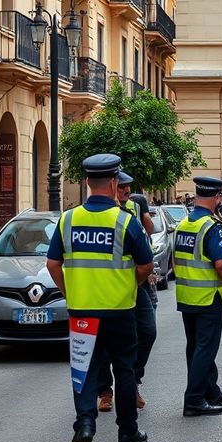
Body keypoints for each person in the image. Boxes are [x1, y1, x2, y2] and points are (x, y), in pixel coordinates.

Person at [46, 154, 153, 442]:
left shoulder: (68, 219)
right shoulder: (125, 221)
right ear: (114, 181)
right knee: (124, 370)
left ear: (87, 183)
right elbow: (145, 265)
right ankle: (128, 432)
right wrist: (129, 284)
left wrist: (70, 292)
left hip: (82, 311)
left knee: (84, 368)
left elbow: (53, 263)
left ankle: (85, 425)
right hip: (119, 310)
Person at [174, 176, 222, 417]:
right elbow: (221, 264)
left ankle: (210, 391)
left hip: (186, 296)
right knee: (206, 348)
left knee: (195, 346)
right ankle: (193, 400)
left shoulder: (183, 224)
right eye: (220, 197)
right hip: (207, 296)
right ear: (215, 198)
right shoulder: (211, 226)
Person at [96, 171, 158, 413]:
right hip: (105, 286)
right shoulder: (99, 213)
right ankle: (105, 391)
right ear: (112, 186)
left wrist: (143, 213)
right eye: (122, 188)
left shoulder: (135, 206)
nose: (126, 192)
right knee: (102, 342)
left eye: (129, 188)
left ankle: (132, 380)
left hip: (135, 282)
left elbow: (149, 233)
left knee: (148, 331)